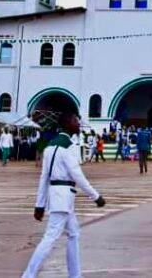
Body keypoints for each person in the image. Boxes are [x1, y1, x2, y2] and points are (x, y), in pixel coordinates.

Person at [22, 113, 106, 278]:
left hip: (58, 196)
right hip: (63, 197)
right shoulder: (69, 147)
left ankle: (75, 275)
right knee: (50, 237)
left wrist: (40, 204)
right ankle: (28, 275)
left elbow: (44, 178)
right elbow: (77, 175)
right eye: (75, 121)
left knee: (73, 233)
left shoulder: (50, 146)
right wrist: (96, 196)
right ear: (67, 124)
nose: (78, 123)